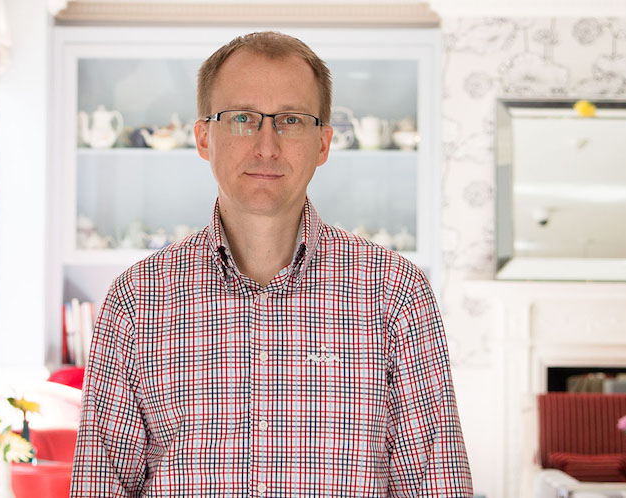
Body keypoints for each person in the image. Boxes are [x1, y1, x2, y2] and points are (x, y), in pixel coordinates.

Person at [70, 31, 472, 497]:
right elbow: (101, 486)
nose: (266, 146)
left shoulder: (395, 293)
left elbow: (437, 485)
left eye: (291, 120)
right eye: (242, 118)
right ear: (203, 137)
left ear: (323, 143)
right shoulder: (137, 299)